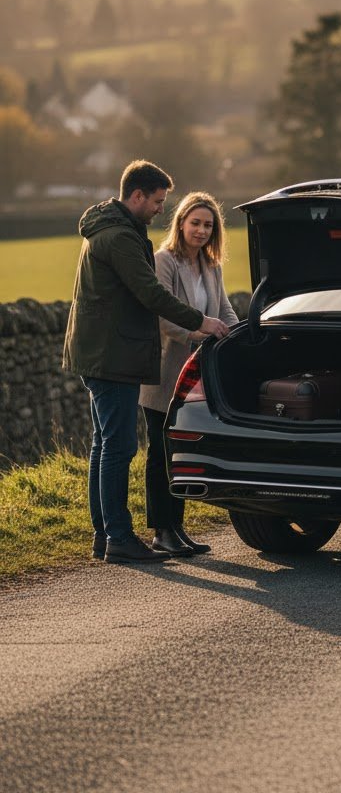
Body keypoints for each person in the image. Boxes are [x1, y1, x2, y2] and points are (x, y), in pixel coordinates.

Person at [63, 161, 230, 564]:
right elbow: (151, 294)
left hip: (103, 351)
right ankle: (119, 536)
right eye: (157, 201)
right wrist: (202, 322)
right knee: (118, 447)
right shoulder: (120, 237)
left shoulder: (115, 229)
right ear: (136, 196)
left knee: (104, 445)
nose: (160, 209)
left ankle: (105, 536)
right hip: (112, 354)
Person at [139, 191, 238, 557]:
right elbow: (163, 316)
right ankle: (161, 530)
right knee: (159, 453)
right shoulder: (163, 260)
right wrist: (201, 330)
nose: (201, 230)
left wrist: (235, 335)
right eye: (195, 222)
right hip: (164, 373)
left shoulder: (211, 266)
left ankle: (177, 528)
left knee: (179, 452)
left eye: (208, 225)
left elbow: (224, 310)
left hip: (195, 376)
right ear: (181, 223)